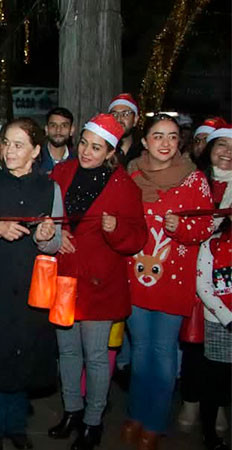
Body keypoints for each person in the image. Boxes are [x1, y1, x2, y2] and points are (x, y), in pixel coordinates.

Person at [48, 114, 148, 450]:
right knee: (67, 352)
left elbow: (137, 237)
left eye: (96, 147)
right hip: (65, 279)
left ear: (110, 151)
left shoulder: (124, 186)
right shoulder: (61, 173)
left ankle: (94, 421)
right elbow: (45, 214)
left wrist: (114, 228)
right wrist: (55, 234)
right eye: (84, 144)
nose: (87, 151)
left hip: (99, 283)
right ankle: (72, 411)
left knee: (94, 355)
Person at [0, 117, 62, 450]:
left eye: (18, 144)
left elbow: (55, 244)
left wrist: (47, 237)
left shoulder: (51, 188)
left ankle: (17, 427)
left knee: (26, 355)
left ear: (36, 150)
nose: (9, 150)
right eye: (5, 142)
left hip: (33, 285)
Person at [122, 114, 215, 450]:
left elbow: (205, 227)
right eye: (157, 136)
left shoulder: (194, 180)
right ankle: (135, 414)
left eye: (172, 137)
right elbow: (120, 218)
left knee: (163, 354)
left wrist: (182, 228)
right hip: (134, 278)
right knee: (140, 350)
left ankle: (155, 423)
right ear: (144, 140)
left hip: (173, 281)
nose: (165, 143)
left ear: (180, 142)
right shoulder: (130, 174)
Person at [195, 126, 232, 450]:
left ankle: (219, 407)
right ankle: (195, 402)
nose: (227, 152)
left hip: (225, 266)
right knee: (197, 348)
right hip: (199, 266)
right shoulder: (197, 179)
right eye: (222, 145)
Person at [108, 93, 142, 167]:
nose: (119, 119)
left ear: (135, 120)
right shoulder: (103, 150)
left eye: (125, 114)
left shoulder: (143, 151)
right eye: (114, 114)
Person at [40, 107, 76, 174]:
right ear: (46, 130)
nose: (58, 130)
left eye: (64, 125)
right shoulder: (35, 160)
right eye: (53, 125)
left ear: (71, 130)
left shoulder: (78, 161)